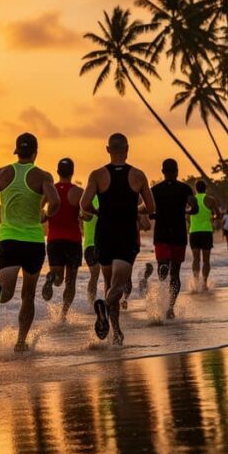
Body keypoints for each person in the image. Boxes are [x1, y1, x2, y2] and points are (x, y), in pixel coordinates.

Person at [80, 133, 156, 344]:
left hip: (104, 234)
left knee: (108, 283)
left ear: (107, 149)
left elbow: (84, 205)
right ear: (128, 149)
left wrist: (97, 211)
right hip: (125, 235)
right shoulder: (138, 176)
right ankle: (104, 308)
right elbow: (151, 208)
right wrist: (134, 208)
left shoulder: (96, 175)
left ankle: (116, 333)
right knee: (118, 286)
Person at [0, 133, 60, 352]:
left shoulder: (2, 173)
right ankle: (21, 341)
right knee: (27, 295)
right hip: (33, 242)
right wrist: (45, 213)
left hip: (8, 240)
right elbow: (55, 201)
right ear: (35, 152)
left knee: (7, 292)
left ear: (16, 151)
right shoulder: (42, 176)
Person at [150, 159, 198, 318]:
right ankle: (170, 307)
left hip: (161, 233)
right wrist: (186, 212)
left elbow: (147, 208)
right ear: (177, 171)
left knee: (163, 264)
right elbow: (195, 207)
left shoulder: (155, 190)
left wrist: (152, 214)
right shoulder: (185, 188)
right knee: (175, 273)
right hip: (178, 233)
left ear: (162, 172)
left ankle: (162, 266)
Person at [41, 158, 83, 321]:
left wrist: (45, 216)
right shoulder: (78, 192)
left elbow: (41, 215)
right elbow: (86, 215)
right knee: (70, 282)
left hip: (54, 240)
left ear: (57, 172)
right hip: (73, 240)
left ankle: (52, 277)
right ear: (72, 172)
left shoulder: (50, 191)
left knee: (58, 279)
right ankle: (63, 314)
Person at [188, 179, 220, 292]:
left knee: (196, 259)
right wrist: (212, 217)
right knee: (206, 260)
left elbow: (187, 213)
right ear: (205, 188)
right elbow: (218, 215)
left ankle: (196, 284)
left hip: (194, 232)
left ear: (196, 188)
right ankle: (204, 284)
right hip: (206, 232)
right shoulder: (211, 200)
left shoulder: (191, 200)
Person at [82, 196, 101, 304]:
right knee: (96, 275)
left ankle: (91, 304)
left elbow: (81, 217)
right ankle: (92, 303)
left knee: (94, 276)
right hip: (93, 244)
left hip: (90, 244)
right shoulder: (106, 195)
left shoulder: (85, 199)